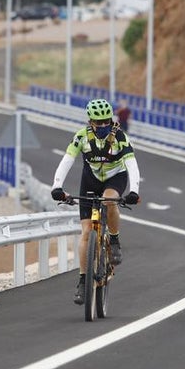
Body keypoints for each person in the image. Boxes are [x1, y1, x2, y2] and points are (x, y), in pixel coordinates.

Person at [50, 98, 141, 305]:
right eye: (97, 123)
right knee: (85, 233)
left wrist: (134, 191)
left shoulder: (120, 137)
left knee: (110, 200)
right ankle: (83, 280)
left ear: (111, 120)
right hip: (90, 180)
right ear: (90, 121)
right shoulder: (81, 137)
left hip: (115, 178)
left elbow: (132, 165)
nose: (102, 126)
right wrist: (56, 186)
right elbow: (67, 160)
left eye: (106, 122)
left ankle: (115, 240)